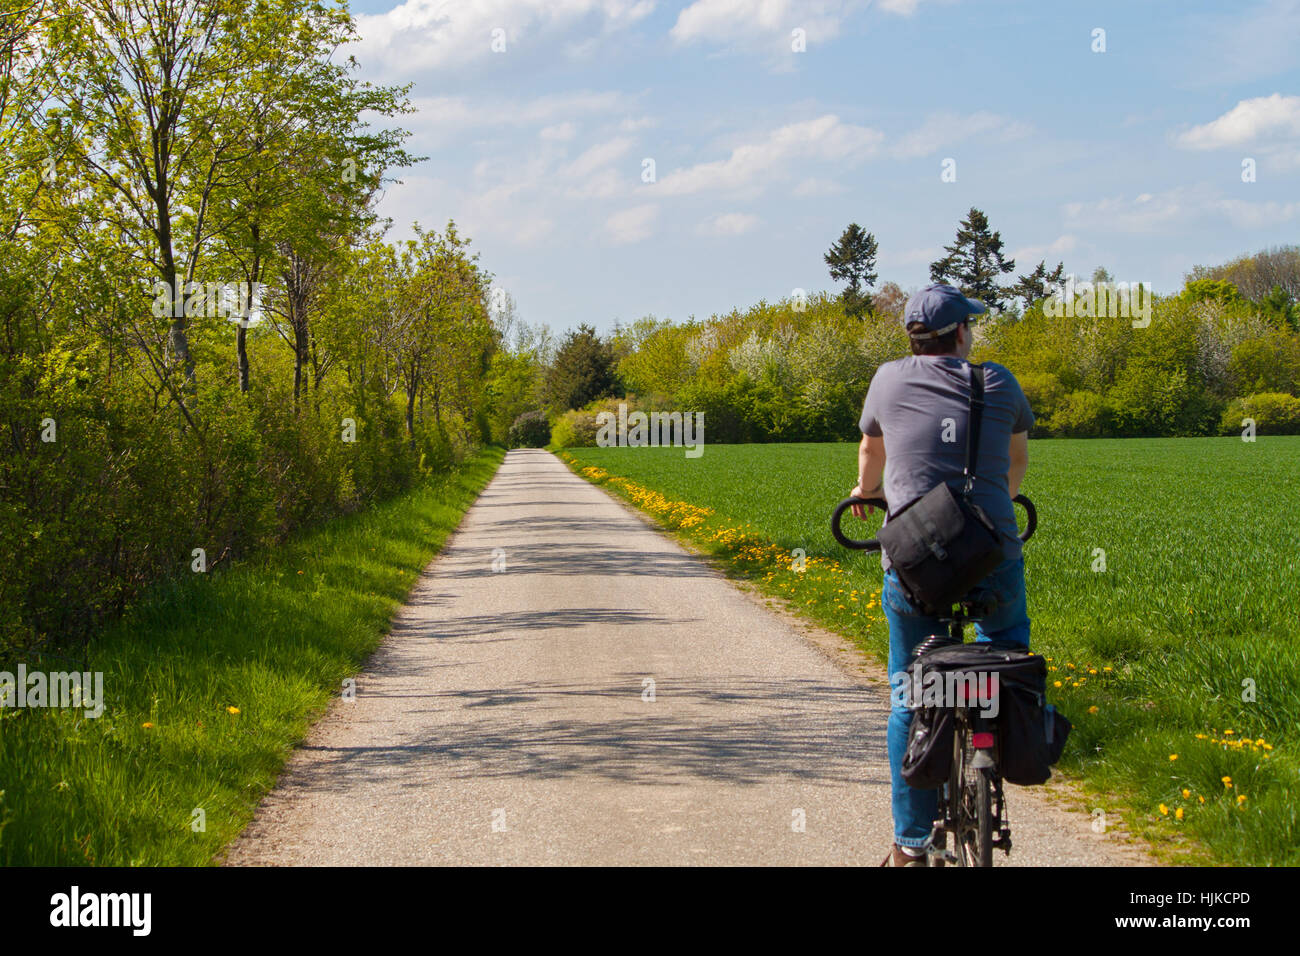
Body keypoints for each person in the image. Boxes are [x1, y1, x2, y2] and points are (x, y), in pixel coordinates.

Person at [850, 282, 1034, 868]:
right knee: (1004, 654)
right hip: (991, 552)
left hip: (914, 562)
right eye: (970, 326)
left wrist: (866, 492)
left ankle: (910, 842)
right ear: (960, 333)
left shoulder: (887, 378)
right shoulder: (998, 381)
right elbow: (1016, 463)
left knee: (910, 691)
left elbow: (870, 454)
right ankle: (997, 748)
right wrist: (983, 520)